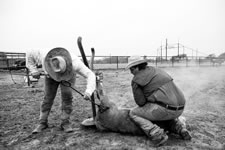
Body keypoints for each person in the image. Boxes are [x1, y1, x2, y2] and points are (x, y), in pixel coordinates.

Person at [26, 47, 96, 133]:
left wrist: (88, 92)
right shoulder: (45, 56)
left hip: (68, 76)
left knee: (67, 96)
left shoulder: (75, 63)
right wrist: (33, 70)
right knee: (48, 97)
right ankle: (42, 122)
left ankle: (65, 122)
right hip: (51, 74)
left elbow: (90, 75)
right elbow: (29, 53)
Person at [126, 56, 191, 146]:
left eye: (132, 69)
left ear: (138, 67)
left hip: (166, 110)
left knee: (133, 113)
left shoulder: (136, 79)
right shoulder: (157, 70)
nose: (131, 72)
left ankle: (157, 135)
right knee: (163, 110)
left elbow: (141, 102)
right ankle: (180, 128)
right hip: (180, 108)